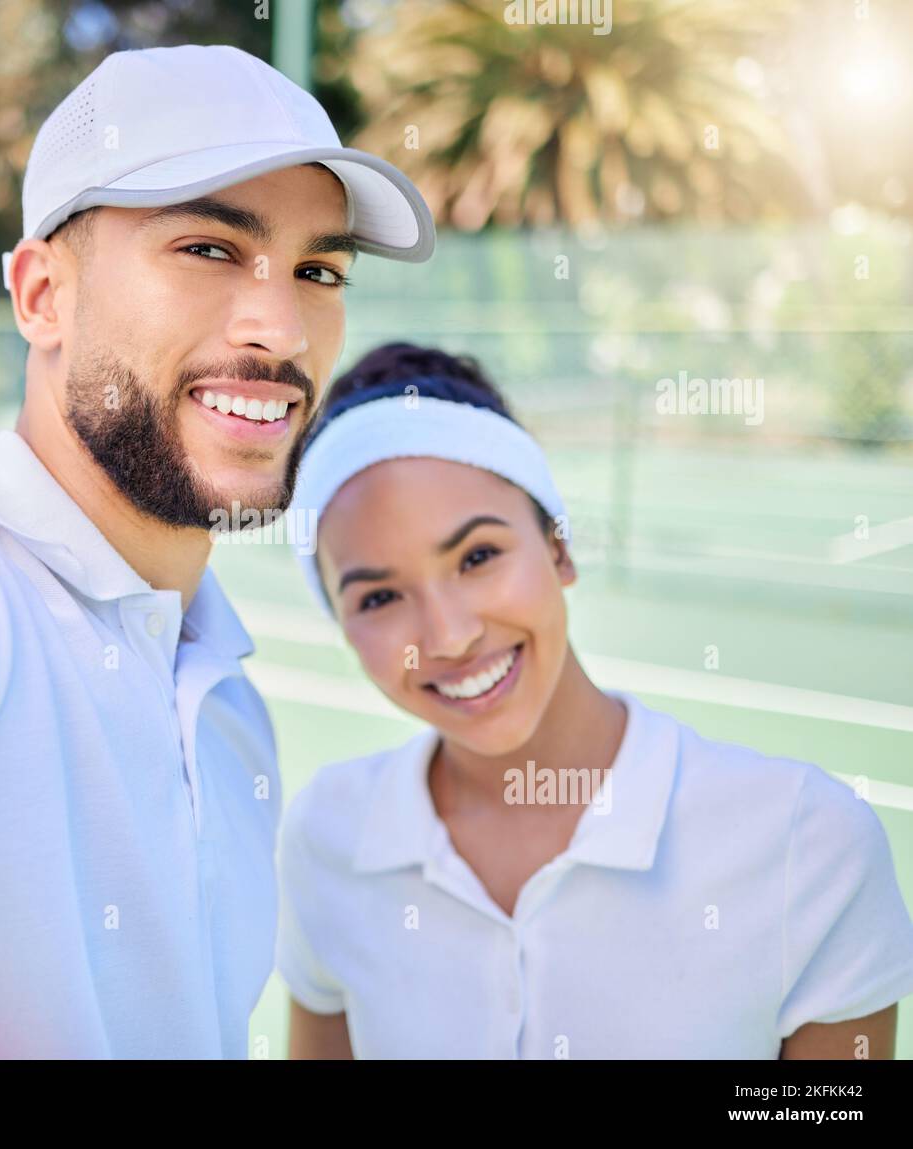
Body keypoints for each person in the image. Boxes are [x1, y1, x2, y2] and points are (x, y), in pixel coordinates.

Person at [0, 45, 435, 1058]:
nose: (280, 327)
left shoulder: (235, 716)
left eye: (317, 270)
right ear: (40, 296)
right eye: (208, 248)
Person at [276, 343, 913, 1059]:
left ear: (559, 548)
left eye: (478, 556)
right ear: (340, 622)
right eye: (380, 596)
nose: (449, 636)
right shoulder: (325, 837)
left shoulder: (810, 844)